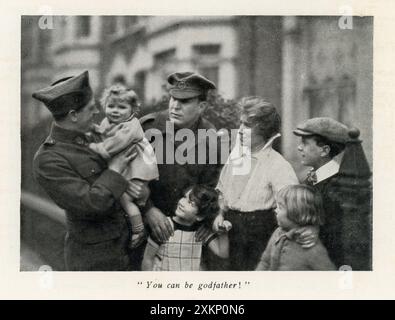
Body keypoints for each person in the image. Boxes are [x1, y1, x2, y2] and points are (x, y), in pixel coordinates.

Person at [32, 71, 148, 271]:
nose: (97, 113)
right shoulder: (49, 159)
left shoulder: (97, 135)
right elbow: (91, 203)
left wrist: (145, 196)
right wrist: (115, 171)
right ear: (73, 115)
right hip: (96, 261)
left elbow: (134, 171)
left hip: (130, 250)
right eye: (91, 109)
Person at [213, 96, 316, 271]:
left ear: (264, 131)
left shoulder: (278, 165)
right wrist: (219, 215)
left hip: (259, 236)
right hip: (230, 232)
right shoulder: (236, 158)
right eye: (241, 123)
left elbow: (292, 210)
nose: (240, 130)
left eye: (247, 125)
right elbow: (223, 192)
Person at [139, 72, 223, 267]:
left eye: (184, 101)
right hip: (145, 230)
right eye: (173, 98)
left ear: (201, 106)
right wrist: (149, 209)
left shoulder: (211, 137)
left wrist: (204, 220)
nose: (175, 106)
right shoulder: (148, 128)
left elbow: (212, 186)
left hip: (187, 233)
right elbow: (129, 178)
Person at [293, 117, 370, 268]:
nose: (299, 148)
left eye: (305, 143)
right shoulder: (312, 177)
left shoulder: (335, 185)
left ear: (325, 150)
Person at [88, 85, 158, 249]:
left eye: (122, 107)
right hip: (127, 165)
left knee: (125, 198)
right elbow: (104, 132)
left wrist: (99, 148)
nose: (115, 111)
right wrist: (94, 129)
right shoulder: (108, 121)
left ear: (133, 110)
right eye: (111, 106)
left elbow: (117, 142)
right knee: (123, 194)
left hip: (139, 166)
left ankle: (138, 228)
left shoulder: (131, 126)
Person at [142, 185, 231, 271]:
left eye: (191, 203)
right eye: (185, 197)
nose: (182, 203)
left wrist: (223, 233)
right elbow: (148, 259)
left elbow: (222, 253)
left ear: (200, 216)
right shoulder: (164, 226)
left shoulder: (200, 231)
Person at [256, 185, 336, 271]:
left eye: (280, 207)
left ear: (296, 214)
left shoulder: (311, 247)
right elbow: (265, 262)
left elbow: (330, 276)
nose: (275, 210)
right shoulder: (277, 233)